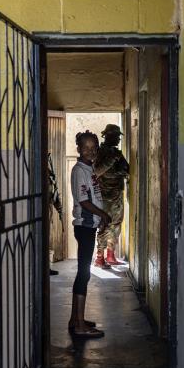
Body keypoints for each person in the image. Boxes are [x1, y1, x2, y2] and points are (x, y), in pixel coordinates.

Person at [68, 130, 111, 338]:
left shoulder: (89, 168)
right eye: (86, 148)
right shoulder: (79, 171)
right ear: (78, 149)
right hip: (84, 227)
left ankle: (75, 318)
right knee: (84, 273)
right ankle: (79, 327)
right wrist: (102, 214)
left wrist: (99, 218)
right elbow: (84, 201)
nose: (91, 151)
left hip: (89, 225)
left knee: (82, 273)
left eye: (94, 148)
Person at [93, 124, 129, 267]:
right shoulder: (100, 152)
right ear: (108, 136)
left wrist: (118, 170)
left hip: (117, 195)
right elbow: (97, 172)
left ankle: (111, 255)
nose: (118, 139)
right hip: (104, 196)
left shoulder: (117, 152)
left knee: (116, 226)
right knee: (104, 225)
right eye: (116, 136)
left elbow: (127, 170)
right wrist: (112, 161)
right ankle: (99, 257)